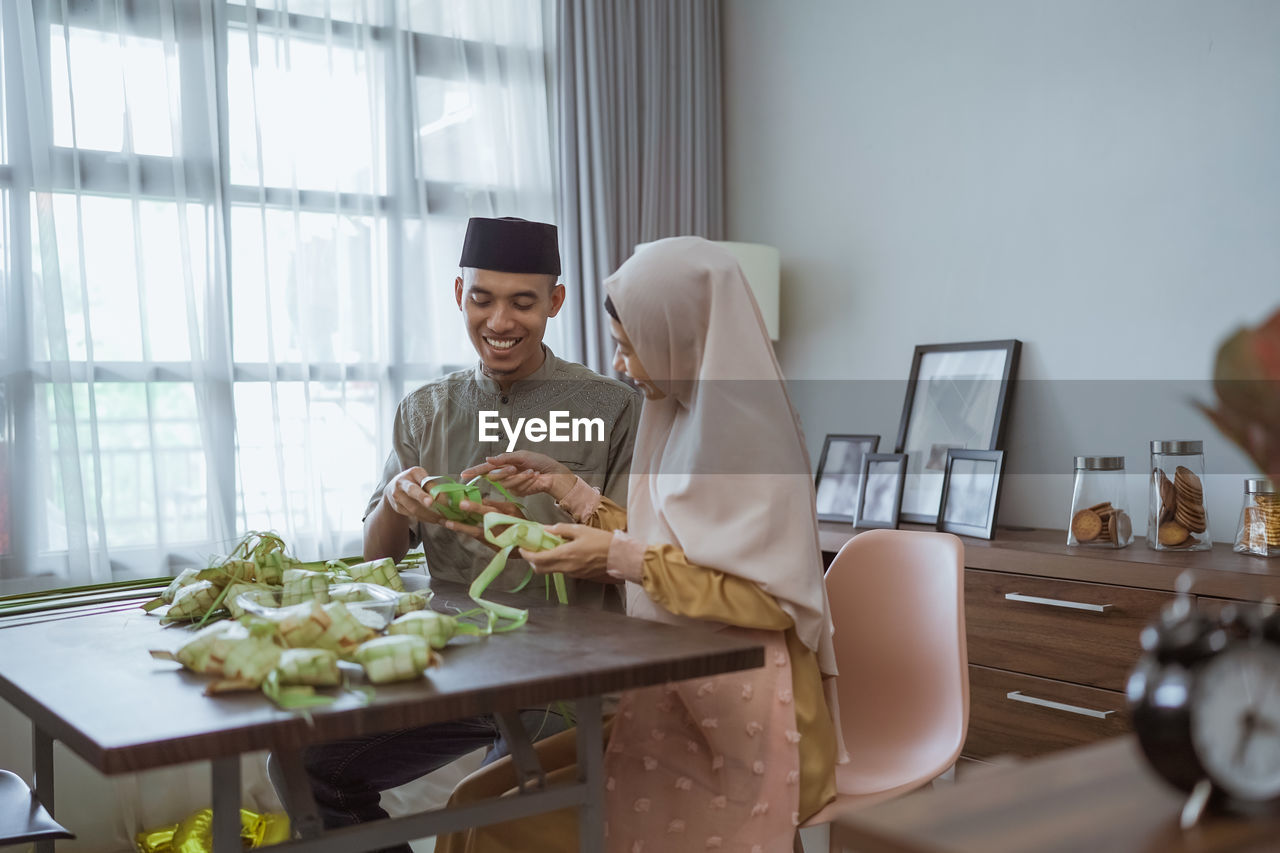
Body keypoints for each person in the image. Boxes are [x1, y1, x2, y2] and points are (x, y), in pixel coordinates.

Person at [438, 236, 845, 852]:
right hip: (673, 695)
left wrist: (612, 555)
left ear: (682, 340)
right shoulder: (682, 421)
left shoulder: (752, 447)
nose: (623, 367)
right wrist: (569, 493)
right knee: (471, 800)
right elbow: (675, 546)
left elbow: (767, 602)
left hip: (749, 718)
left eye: (631, 349)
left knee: (499, 824)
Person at [295, 216, 640, 849]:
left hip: (565, 676)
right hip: (455, 662)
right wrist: (398, 503)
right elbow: (380, 556)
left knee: (484, 813)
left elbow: (631, 556)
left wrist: (552, 501)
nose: (500, 321)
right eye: (482, 299)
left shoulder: (613, 406)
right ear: (460, 295)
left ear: (555, 303)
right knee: (308, 769)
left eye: (523, 302)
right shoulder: (425, 409)